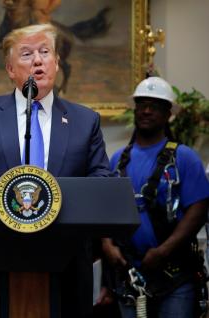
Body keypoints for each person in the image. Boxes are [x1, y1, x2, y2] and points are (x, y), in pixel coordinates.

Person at [0, 23, 110, 318]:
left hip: (65, 267)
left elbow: (102, 182)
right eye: (27, 54)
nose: (38, 60)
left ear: (56, 63)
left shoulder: (85, 121)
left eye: (45, 52)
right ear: (9, 69)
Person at [102, 76, 209, 318]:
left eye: (156, 106)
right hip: (128, 275)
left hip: (174, 278)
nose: (147, 111)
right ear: (135, 109)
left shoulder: (184, 158)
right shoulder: (117, 159)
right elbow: (105, 207)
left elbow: (199, 209)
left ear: (168, 113)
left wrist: (164, 251)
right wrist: (107, 244)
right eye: (142, 104)